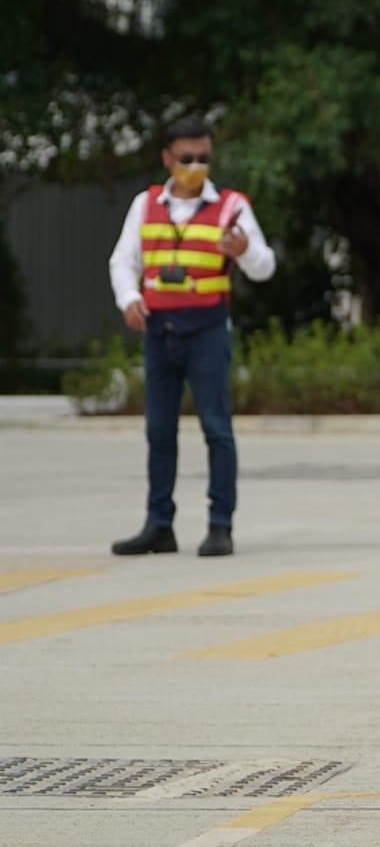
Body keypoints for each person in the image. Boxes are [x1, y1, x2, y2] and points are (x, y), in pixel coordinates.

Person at [107, 116, 276, 558]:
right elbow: (123, 260)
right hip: (159, 332)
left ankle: (221, 524)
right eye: (187, 158)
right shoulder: (145, 205)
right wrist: (128, 298)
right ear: (167, 158)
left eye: (204, 158)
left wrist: (245, 252)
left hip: (206, 331)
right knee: (159, 431)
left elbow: (265, 267)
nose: (196, 166)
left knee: (216, 429)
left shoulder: (232, 207)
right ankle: (158, 524)